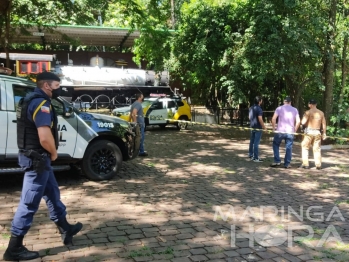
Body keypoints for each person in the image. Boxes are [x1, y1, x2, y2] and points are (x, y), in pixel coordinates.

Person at [3, 72, 83, 261]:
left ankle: (65, 228)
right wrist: (54, 153)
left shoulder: (31, 99)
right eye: (57, 85)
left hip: (38, 159)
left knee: (53, 194)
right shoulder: (41, 103)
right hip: (37, 161)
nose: (60, 88)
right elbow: (44, 137)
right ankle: (14, 247)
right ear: (47, 86)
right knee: (29, 203)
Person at [270, 96, 300, 168]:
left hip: (280, 131)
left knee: (275, 144)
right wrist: (295, 129)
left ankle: (277, 161)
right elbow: (298, 121)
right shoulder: (295, 110)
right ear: (290, 102)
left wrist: (274, 128)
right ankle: (287, 163)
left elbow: (273, 119)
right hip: (290, 131)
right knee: (289, 147)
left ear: (284, 102)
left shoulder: (279, 108)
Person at [299, 99, 326, 170]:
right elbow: (324, 124)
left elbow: (303, 122)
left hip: (309, 132)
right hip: (317, 132)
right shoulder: (321, 113)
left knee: (305, 147)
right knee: (317, 149)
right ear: (316, 104)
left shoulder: (308, 112)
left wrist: (303, 119)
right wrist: (324, 133)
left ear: (310, 105)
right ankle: (318, 164)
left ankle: (305, 164)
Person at [248, 96, 266, 162]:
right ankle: (255, 157)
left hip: (252, 126)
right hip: (258, 127)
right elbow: (260, 119)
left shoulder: (251, 108)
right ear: (259, 101)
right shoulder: (259, 109)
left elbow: (249, 117)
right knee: (256, 143)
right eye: (261, 100)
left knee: (252, 141)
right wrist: (264, 127)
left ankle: (250, 154)